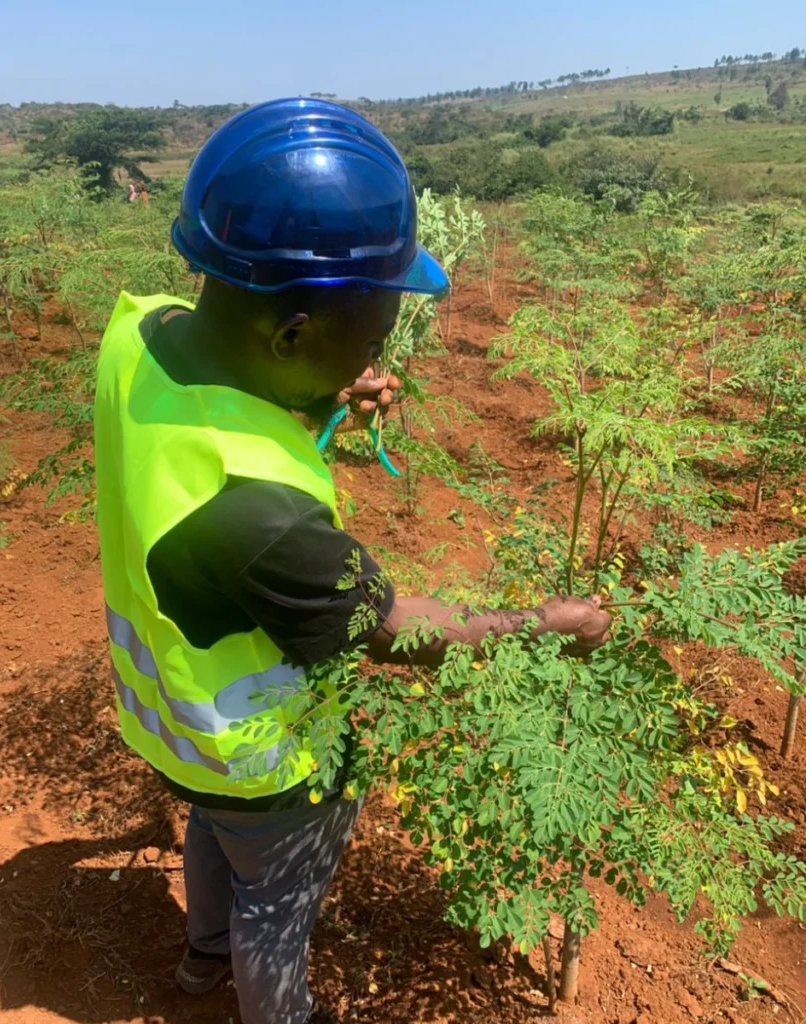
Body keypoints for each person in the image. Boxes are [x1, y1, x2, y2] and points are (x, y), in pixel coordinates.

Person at [93, 98, 611, 1024]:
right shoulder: (265, 521)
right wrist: (547, 622)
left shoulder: (143, 332)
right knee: (276, 909)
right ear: (288, 333)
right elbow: (393, 631)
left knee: (213, 835)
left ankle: (199, 963)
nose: (375, 360)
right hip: (268, 758)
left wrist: (324, 398)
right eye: (370, 338)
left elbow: (230, 433)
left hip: (178, 729)